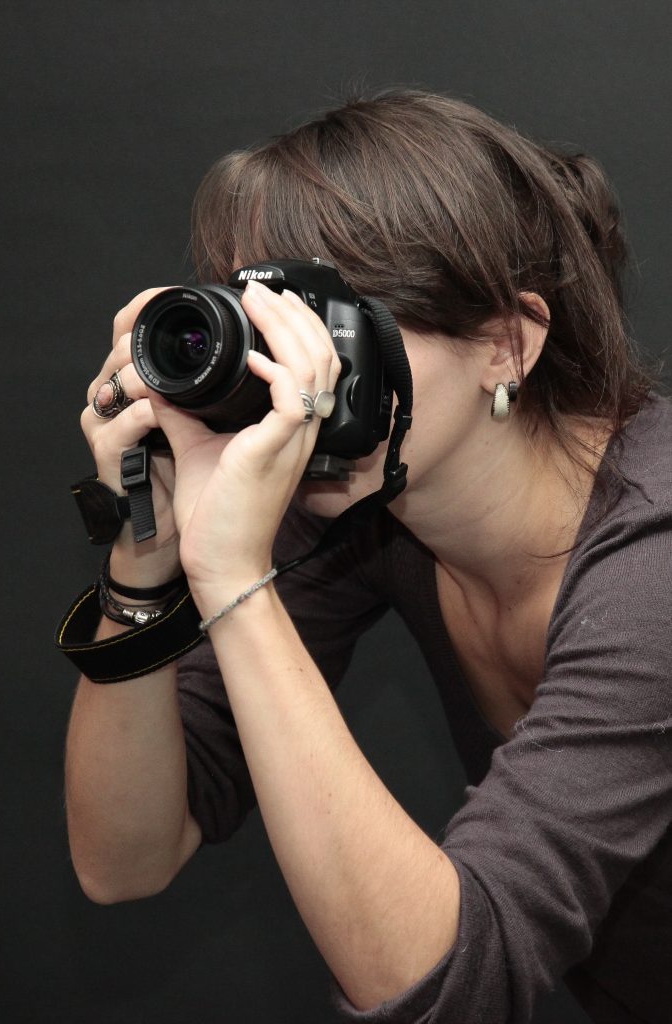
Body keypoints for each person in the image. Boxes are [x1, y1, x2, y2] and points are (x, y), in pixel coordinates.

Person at [62, 91, 671, 1023]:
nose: (293, 378)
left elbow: (439, 984)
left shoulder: (654, 558)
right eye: (266, 325)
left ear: (508, 343)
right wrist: (147, 543)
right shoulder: (362, 500)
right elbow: (125, 856)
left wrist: (233, 582)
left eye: (331, 325)